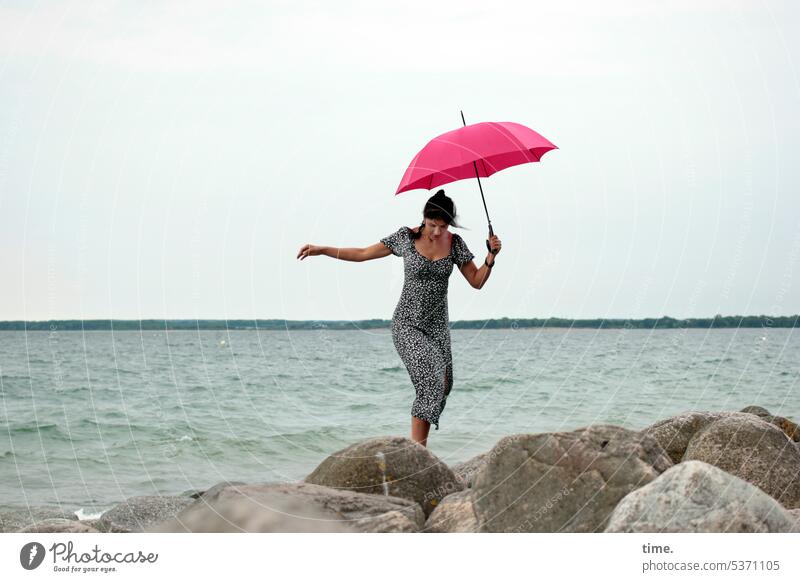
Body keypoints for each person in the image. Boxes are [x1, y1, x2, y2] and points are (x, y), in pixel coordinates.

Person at [296, 189, 501, 447]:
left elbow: (477, 281)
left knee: (444, 384)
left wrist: (491, 257)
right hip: (407, 324)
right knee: (430, 381)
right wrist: (323, 249)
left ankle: (419, 449)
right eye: (432, 225)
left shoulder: (455, 243)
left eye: (443, 226)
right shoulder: (406, 237)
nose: (437, 232)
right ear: (424, 218)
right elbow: (362, 253)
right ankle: (418, 453)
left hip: (437, 327)